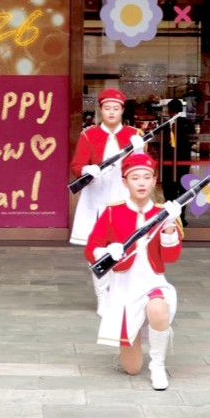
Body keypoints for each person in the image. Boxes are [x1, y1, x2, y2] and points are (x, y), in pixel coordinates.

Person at [85, 153, 183, 391]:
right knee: (131, 368)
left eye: (147, 177)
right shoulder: (111, 211)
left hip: (152, 281)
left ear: (154, 180)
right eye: (135, 177)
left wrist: (169, 227)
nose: (141, 183)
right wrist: (108, 251)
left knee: (159, 307)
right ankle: (133, 342)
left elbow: (171, 257)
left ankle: (158, 365)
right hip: (124, 288)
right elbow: (91, 248)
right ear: (125, 181)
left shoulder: (164, 213)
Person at [69, 89, 145, 316]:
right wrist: (86, 169)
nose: (111, 112)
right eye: (107, 108)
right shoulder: (88, 135)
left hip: (123, 199)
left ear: (122, 110)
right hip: (95, 199)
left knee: (126, 246)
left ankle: (120, 294)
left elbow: (145, 169)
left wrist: (139, 151)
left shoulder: (134, 134)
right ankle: (103, 296)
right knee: (98, 249)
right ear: (100, 110)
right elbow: (76, 165)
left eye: (116, 108)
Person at [160, 98, 193, 225]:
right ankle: (181, 217)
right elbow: (192, 140)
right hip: (183, 160)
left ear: (169, 110)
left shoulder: (164, 123)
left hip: (168, 161)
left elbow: (160, 142)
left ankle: (169, 215)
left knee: (169, 189)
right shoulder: (187, 123)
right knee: (182, 188)